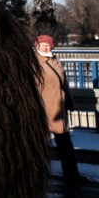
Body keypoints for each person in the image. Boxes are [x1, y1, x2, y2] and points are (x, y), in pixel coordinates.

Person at [35, 34, 87, 188]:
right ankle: (37, 176)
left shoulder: (55, 61)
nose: (45, 47)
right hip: (42, 110)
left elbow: (64, 84)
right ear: (36, 46)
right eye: (42, 44)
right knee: (40, 146)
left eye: (48, 44)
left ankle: (71, 175)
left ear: (52, 46)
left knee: (65, 146)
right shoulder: (33, 64)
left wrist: (69, 100)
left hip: (58, 109)